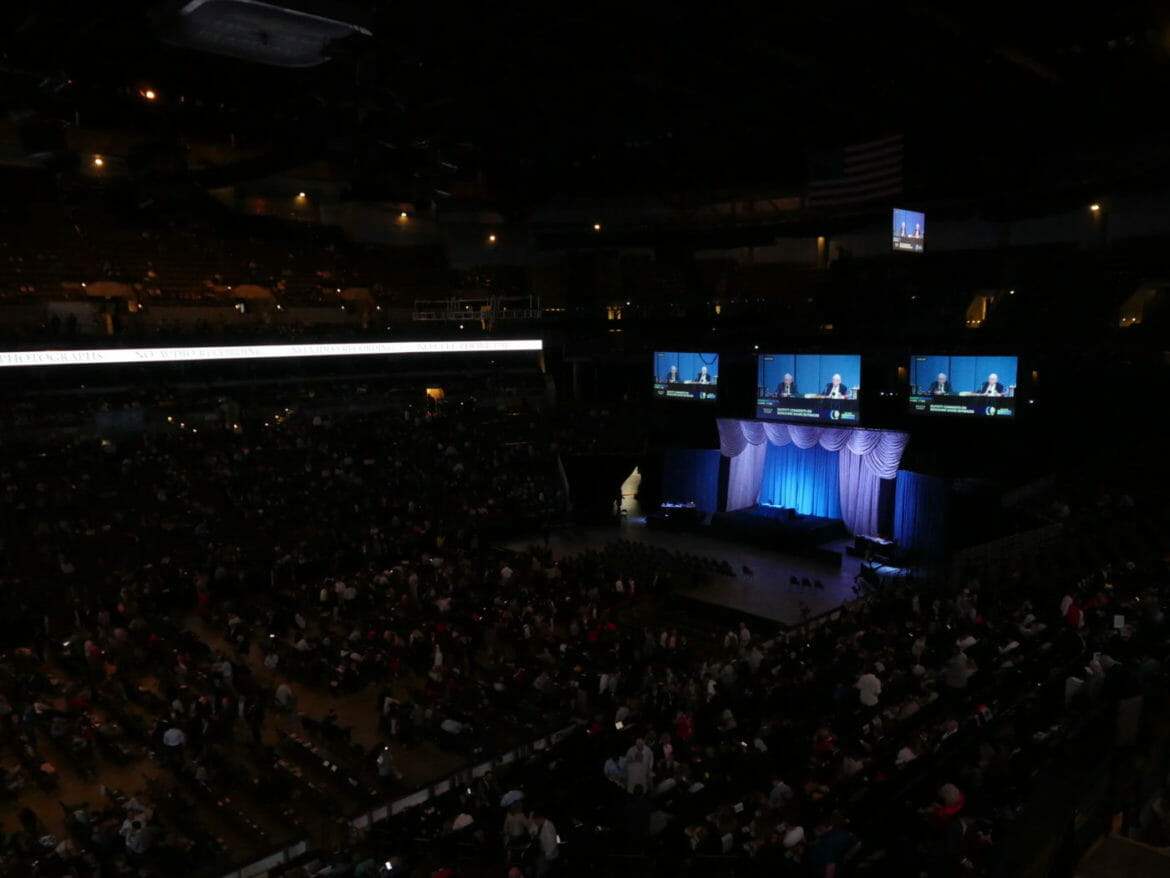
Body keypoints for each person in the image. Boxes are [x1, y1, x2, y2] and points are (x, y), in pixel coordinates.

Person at [530, 810, 560, 877]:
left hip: (551, 856)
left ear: (540, 818)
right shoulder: (539, 824)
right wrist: (533, 834)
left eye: (535, 821)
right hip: (543, 852)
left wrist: (545, 857)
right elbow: (532, 830)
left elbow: (552, 846)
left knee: (550, 872)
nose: (535, 823)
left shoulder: (549, 828)